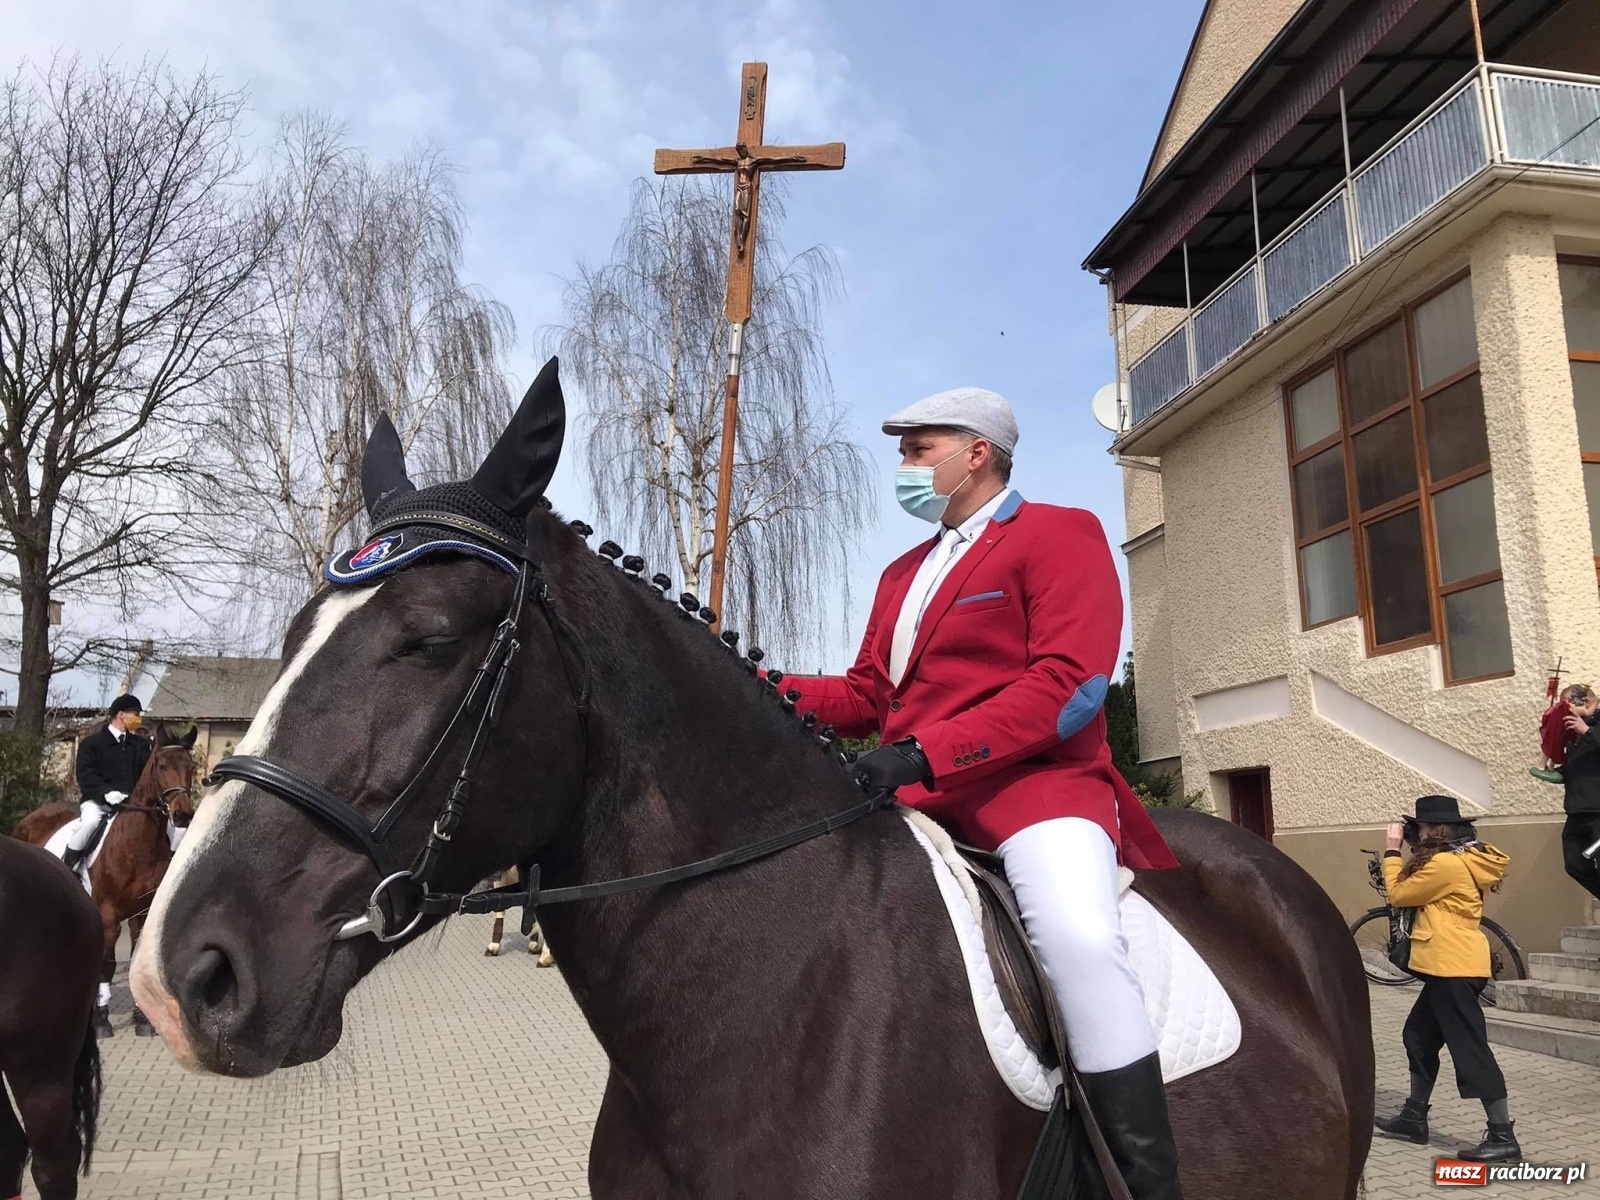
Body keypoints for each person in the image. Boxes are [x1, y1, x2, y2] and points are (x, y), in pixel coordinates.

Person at [785, 387, 1183, 1200]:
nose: (903, 465)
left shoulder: (1059, 533)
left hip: (1035, 791)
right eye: (903, 451)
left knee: (1077, 939)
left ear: (977, 452)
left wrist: (925, 753)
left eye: (917, 448)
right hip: (917, 800)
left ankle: (1143, 1178)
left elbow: (1072, 687)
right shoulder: (903, 573)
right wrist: (756, 684)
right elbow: (867, 696)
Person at [1374, 795, 1517, 1163]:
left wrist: (1392, 850)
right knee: (1418, 1038)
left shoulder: (1446, 865)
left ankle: (1503, 1137)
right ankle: (1413, 1118)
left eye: (1419, 826)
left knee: (1470, 1049)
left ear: (1436, 830)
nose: (1415, 831)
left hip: (1453, 968)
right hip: (1448, 967)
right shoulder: (1454, 858)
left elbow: (1399, 893)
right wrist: (1410, 844)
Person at [65, 694, 151, 873]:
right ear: (121, 714)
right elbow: (85, 774)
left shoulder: (140, 746)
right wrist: (106, 793)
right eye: (135, 714)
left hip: (131, 804)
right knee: (89, 824)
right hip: (98, 803)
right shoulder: (93, 744)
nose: (138, 719)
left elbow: (146, 776)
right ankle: (67, 868)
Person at [1559, 699, 1600, 905]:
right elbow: (1580, 764)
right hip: (1576, 810)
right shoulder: (1577, 727)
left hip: (1598, 810)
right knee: (1574, 864)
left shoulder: (1589, 729)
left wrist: (1588, 732)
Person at [1529, 683, 1596, 784]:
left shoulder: (1590, 723)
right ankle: (1550, 767)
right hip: (1576, 792)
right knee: (1554, 748)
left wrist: (1587, 731)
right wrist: (1560, 772)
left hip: (1593, 794)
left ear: (1586, 703)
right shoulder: (1574, 724)